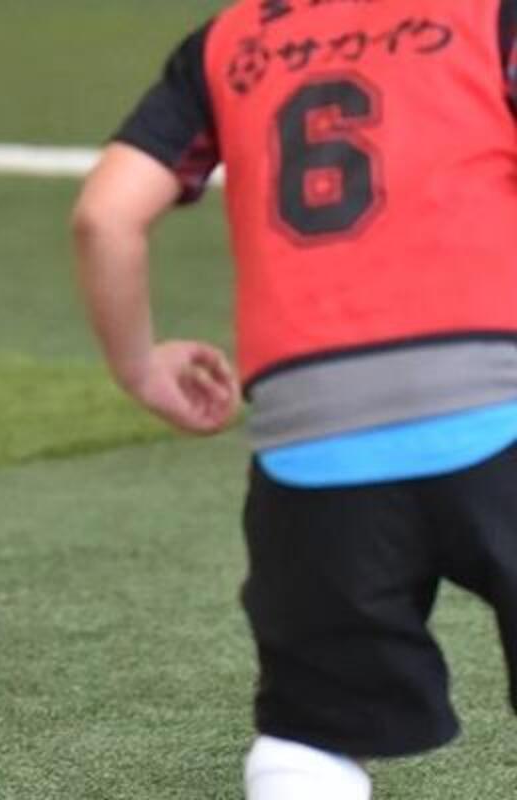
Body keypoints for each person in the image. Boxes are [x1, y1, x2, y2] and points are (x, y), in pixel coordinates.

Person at [73, 0, 517, 796]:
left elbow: (104, 217)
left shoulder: (226, 44)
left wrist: (140, 368)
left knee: (310, 737)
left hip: (313, 453)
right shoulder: (491, 18)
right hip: (501, 415)